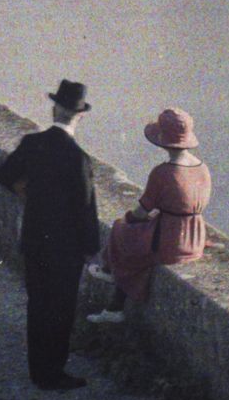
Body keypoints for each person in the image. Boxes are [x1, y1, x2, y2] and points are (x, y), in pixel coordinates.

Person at [0, 79, 100, 391]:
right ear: (80, 116)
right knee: (61, 310)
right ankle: (53, 373)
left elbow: (5, 174)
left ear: (55, 108)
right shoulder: (77, 158)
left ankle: (38, 371)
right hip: (65, 249)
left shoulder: (32, 143)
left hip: (34, 240)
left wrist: (24, 191)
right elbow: (86, 209)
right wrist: (90, 249)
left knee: (38, 305)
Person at [87, 107, 210, 324]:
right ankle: (112, 299)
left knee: (121, 229)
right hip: (195, 236)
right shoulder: (202, 168)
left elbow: (142, 211)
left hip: (172, 242)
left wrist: (130, 219)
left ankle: (110, 278)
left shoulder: (163, 172)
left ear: (162, 141)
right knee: (136, 240)